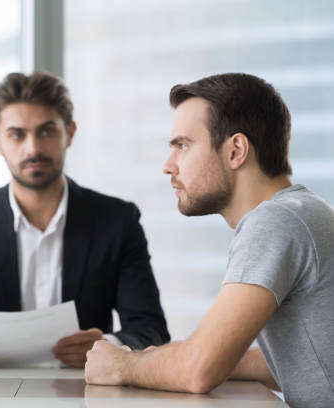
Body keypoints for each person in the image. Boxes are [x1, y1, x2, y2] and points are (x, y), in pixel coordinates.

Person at [84, 73, 334, 408]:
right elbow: (308, 359)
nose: (167, 166)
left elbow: (197, 372)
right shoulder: (305, 211)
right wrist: (174, 358)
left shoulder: (275, 222)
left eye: (182, 145)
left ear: (235, 151)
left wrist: (121, 364)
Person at [0, 71, 169, 370]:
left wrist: (109, 348)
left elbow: (151, 329)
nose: (33, 149)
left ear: (70, 133)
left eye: (46, 131)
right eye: (17, 134)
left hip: (86, 393)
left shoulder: (117, 221)